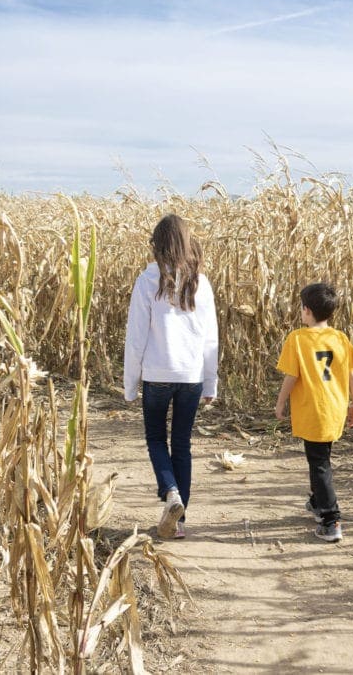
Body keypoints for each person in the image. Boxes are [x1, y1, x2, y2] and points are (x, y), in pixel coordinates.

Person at [124, 214, 218, 540]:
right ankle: (178, 524)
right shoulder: (200, 283)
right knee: (181, 445)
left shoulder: (147, 280)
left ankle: (171, 493)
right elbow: (210, 338)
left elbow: (136, 337)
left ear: (157, 244)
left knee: (155, 438)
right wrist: (211, 382)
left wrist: (129, 384)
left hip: (156, 375)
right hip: (191, 377)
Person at [274, 282, 353, 543]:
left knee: (319, 462)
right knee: (321, 456)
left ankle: (330, 519)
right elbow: (351, 374)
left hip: (312, 410)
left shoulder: (298, 339)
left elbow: (291, 376)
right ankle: (316, 501)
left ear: (307, 311)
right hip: (334, 408)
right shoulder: (340, 338)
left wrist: (280, 403)